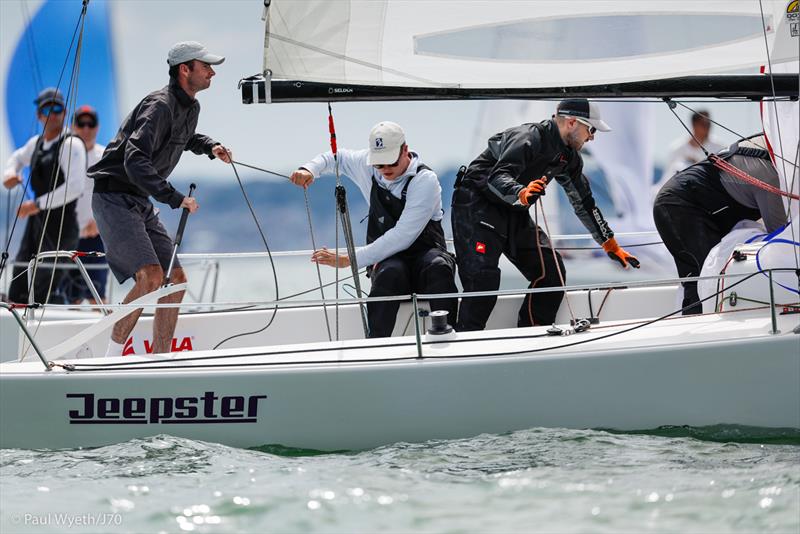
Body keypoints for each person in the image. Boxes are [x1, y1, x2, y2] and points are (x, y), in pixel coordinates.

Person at [89, 41, 232, 355]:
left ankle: (161, 359)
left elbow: (184, 137)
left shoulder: (190, 107)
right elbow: (134, 159)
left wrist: (210, 146)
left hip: (139, 199)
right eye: (205, 66)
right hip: (113, 196)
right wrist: (174, 197)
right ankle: (110, 360)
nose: (212, 73)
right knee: (152, 276)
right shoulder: (160, 105)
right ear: (185, 70)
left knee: (175, 279)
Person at [452, 98, 640, 332]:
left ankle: (532, 336)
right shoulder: (528, 138)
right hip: (477, 206)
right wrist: (520, 192)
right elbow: (497, 177)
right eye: (591, 129)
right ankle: (466, 343)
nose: (592, 137)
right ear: (572, 123)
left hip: (514, 210)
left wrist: (608, 242)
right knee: (483, 280)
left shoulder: (569, 157)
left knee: (551, 272)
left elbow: (584, 202)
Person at [290, 121, 458, 338]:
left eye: (391, 163)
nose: (385, 170)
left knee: (438, 268)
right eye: (379, 164)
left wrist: (350, 258)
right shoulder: (366, 165)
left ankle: (447, 339)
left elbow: (403, 236)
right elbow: (335, 157)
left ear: (405, 150)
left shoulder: (425, 181)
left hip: (425, 256)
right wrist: (309, 170)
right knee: (390, 273)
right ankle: (376, 346)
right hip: (390, 260)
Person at [653, 134, 786, 315]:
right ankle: (697, 334)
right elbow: (781, 240)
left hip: (690, 205)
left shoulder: (767, 154)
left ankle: (697, 328)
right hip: (681, 206)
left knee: (703, 278)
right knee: (706, 277)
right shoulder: (770, 175)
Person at [2, 88, 86, 304]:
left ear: (65, 112)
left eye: (56, 108)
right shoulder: (36, 144)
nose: (52, 113)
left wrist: (36, 205)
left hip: (61, 226)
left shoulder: (71, 144)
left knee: (43, 283)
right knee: (19, 275)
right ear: (39, 114)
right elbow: (16, 159)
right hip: (36, 224)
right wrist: (10, 175)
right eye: (46, 108)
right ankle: (15, 323)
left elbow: (75, 187)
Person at [59, 105, 108, 304]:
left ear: (97, 127)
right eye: (81, 123)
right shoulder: (62, 155)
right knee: (72, 299)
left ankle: (108, 335)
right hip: (68, 236)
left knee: (98, 297)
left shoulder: (106, 156)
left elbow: (113, 195)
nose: (86, 128)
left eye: (91, 123)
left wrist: (98, 222)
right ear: (72, 126)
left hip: (96, 237)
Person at [661, 110, 725, 183]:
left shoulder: (720, 147)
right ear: (694, 124)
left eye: (709, 124)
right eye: (703, 124)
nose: (707, 127)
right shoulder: (677, 148)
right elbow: (667, 177)